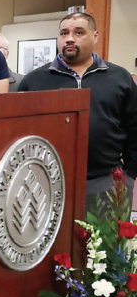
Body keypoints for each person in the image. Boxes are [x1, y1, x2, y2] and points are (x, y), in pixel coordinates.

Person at [17, 12, 137, 211]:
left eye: (79, 32)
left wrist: (130, 173)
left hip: (107, 182)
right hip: (48, 183)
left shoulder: (119, 78)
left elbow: (134, 126)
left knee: (105, 242)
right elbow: (19, 132)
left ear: (95, 36)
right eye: (64, 33)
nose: (70, 38)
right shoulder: (35, 81)